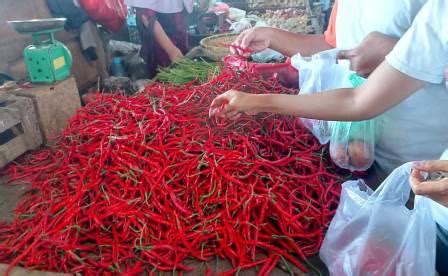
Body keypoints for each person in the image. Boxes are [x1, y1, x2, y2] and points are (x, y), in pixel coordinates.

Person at [214, 0, 448, 175]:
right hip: (359, 150)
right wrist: (272, 37)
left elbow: (359, 101)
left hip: (423, 161)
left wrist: (394, 52)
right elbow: (333, 46)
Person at [124, 0, 195, 78]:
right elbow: (146, 16)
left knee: (185, 71)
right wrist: (171, 50)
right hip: (159, 33)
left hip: (179, 27)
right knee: (166, 75)